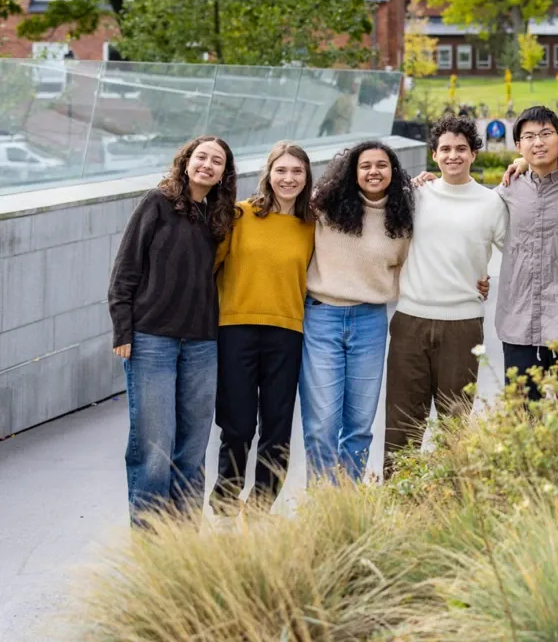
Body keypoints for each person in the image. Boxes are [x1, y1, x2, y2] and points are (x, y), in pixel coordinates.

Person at [108, 136, 238, 523]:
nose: (207, 165)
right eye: (202, 157)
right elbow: (125, 269)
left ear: (223, 174)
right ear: (186, 162)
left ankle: (183, 543)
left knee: (193, 447)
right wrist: (122, 331)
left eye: (217, 161)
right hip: (151, 340)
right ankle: (151, 542)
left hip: (202, 343)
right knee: (154, 445)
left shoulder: (220, 217)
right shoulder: (157, 204)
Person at [383, 115, 506, 476]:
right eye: (446, 149)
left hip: (463, 326)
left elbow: (518, 252)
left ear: (473, 154)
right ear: (434, 155)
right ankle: (397, 506)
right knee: (402, 424)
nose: (453, 156)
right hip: (410, 321)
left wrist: (487, 281)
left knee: (455, 424)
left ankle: (449, 500)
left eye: (461, 149)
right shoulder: (416, 196)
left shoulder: (491, 203)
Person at [210, 141, 316, 510]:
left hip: (288, 334)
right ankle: (224, 502)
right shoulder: (239, 217)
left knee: (277, 429)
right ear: (268, 174)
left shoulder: (312, 226)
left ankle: (260, 509)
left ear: (307, 177)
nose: (288, 178)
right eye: (281, 170)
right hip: (236, 330)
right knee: (237, 426)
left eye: (297, 171)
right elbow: (208, 268)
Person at [301, 141, 414, 484]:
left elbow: (413, 266)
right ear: (353, 171)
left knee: (360, 424)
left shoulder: (403, 218)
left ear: (393, 172)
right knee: (322, 424)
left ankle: (349, 503)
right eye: (365, 165)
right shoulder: (325, 205)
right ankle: (323, 504)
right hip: (322, 317)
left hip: (370, 321)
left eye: (382, 165)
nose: (373, 172)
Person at [495, 106, 558, 398]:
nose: (538, 143)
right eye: (529, 137)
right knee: (522, 416)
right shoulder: (505, 192)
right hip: (518, 318)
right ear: (518, 146)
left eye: (546, 134)